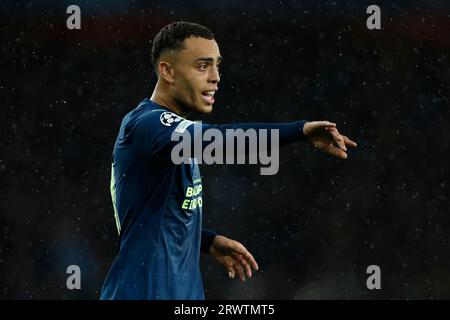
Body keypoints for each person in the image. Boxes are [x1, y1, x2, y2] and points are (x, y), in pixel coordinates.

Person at [100, 21, 357, 300]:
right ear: (167, 71)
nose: (216, 77)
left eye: (217, 66)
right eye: (202, 66)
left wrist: (204, 240)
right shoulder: (148, 125)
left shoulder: (172, 136)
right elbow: (223, 140)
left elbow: (151, 215)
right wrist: (300, 130)